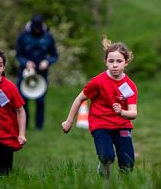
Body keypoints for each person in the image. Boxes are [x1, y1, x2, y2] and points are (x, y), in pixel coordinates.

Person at [61, 37, 138, 178]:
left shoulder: (130, 85)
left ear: (126, 62)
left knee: (128, 163)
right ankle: (104, 181)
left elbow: (133, 113)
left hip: (122, 125)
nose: (115, 65)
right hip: (101, 125)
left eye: (119, 61)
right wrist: (69, 121)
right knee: (107, 157)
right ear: (105, 62)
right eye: (111, 61)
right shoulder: (97, 82)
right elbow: (79, 99)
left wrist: (121, 112)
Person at [16, 13, 58, 130]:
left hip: (41, 73)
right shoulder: (23, 36)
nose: (37, 31)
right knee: (23, 101)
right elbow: (18, 55)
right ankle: (25, 125)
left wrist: (47, 62)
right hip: (25, 72)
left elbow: (55, 55)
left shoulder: (48, 37)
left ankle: (39, 127)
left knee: (40, 101)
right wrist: (26, 63)